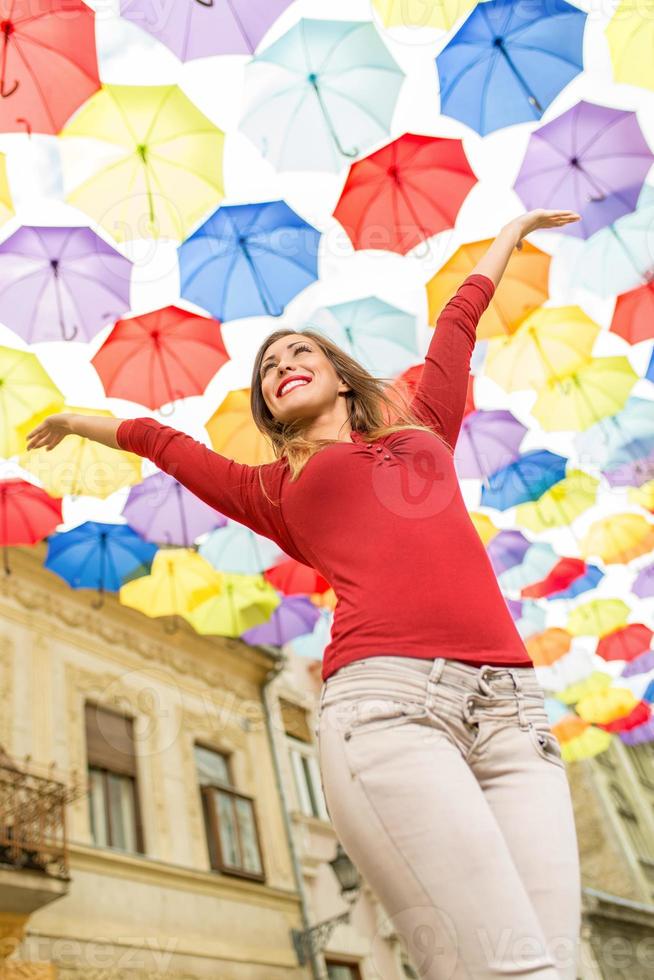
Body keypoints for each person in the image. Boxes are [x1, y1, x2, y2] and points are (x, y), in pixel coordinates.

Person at [27, 209, 582, 979]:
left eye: (300, 350)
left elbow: (458, 320)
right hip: (390, 710)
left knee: (552, 962)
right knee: (513, 967)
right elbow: (164, 441)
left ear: (337, 371)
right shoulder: (274, 488)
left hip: (514, 713)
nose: (281, 362)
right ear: (267, 404)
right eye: (267, 366)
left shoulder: (425, 426)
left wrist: (510, 232)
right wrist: (74, 420)